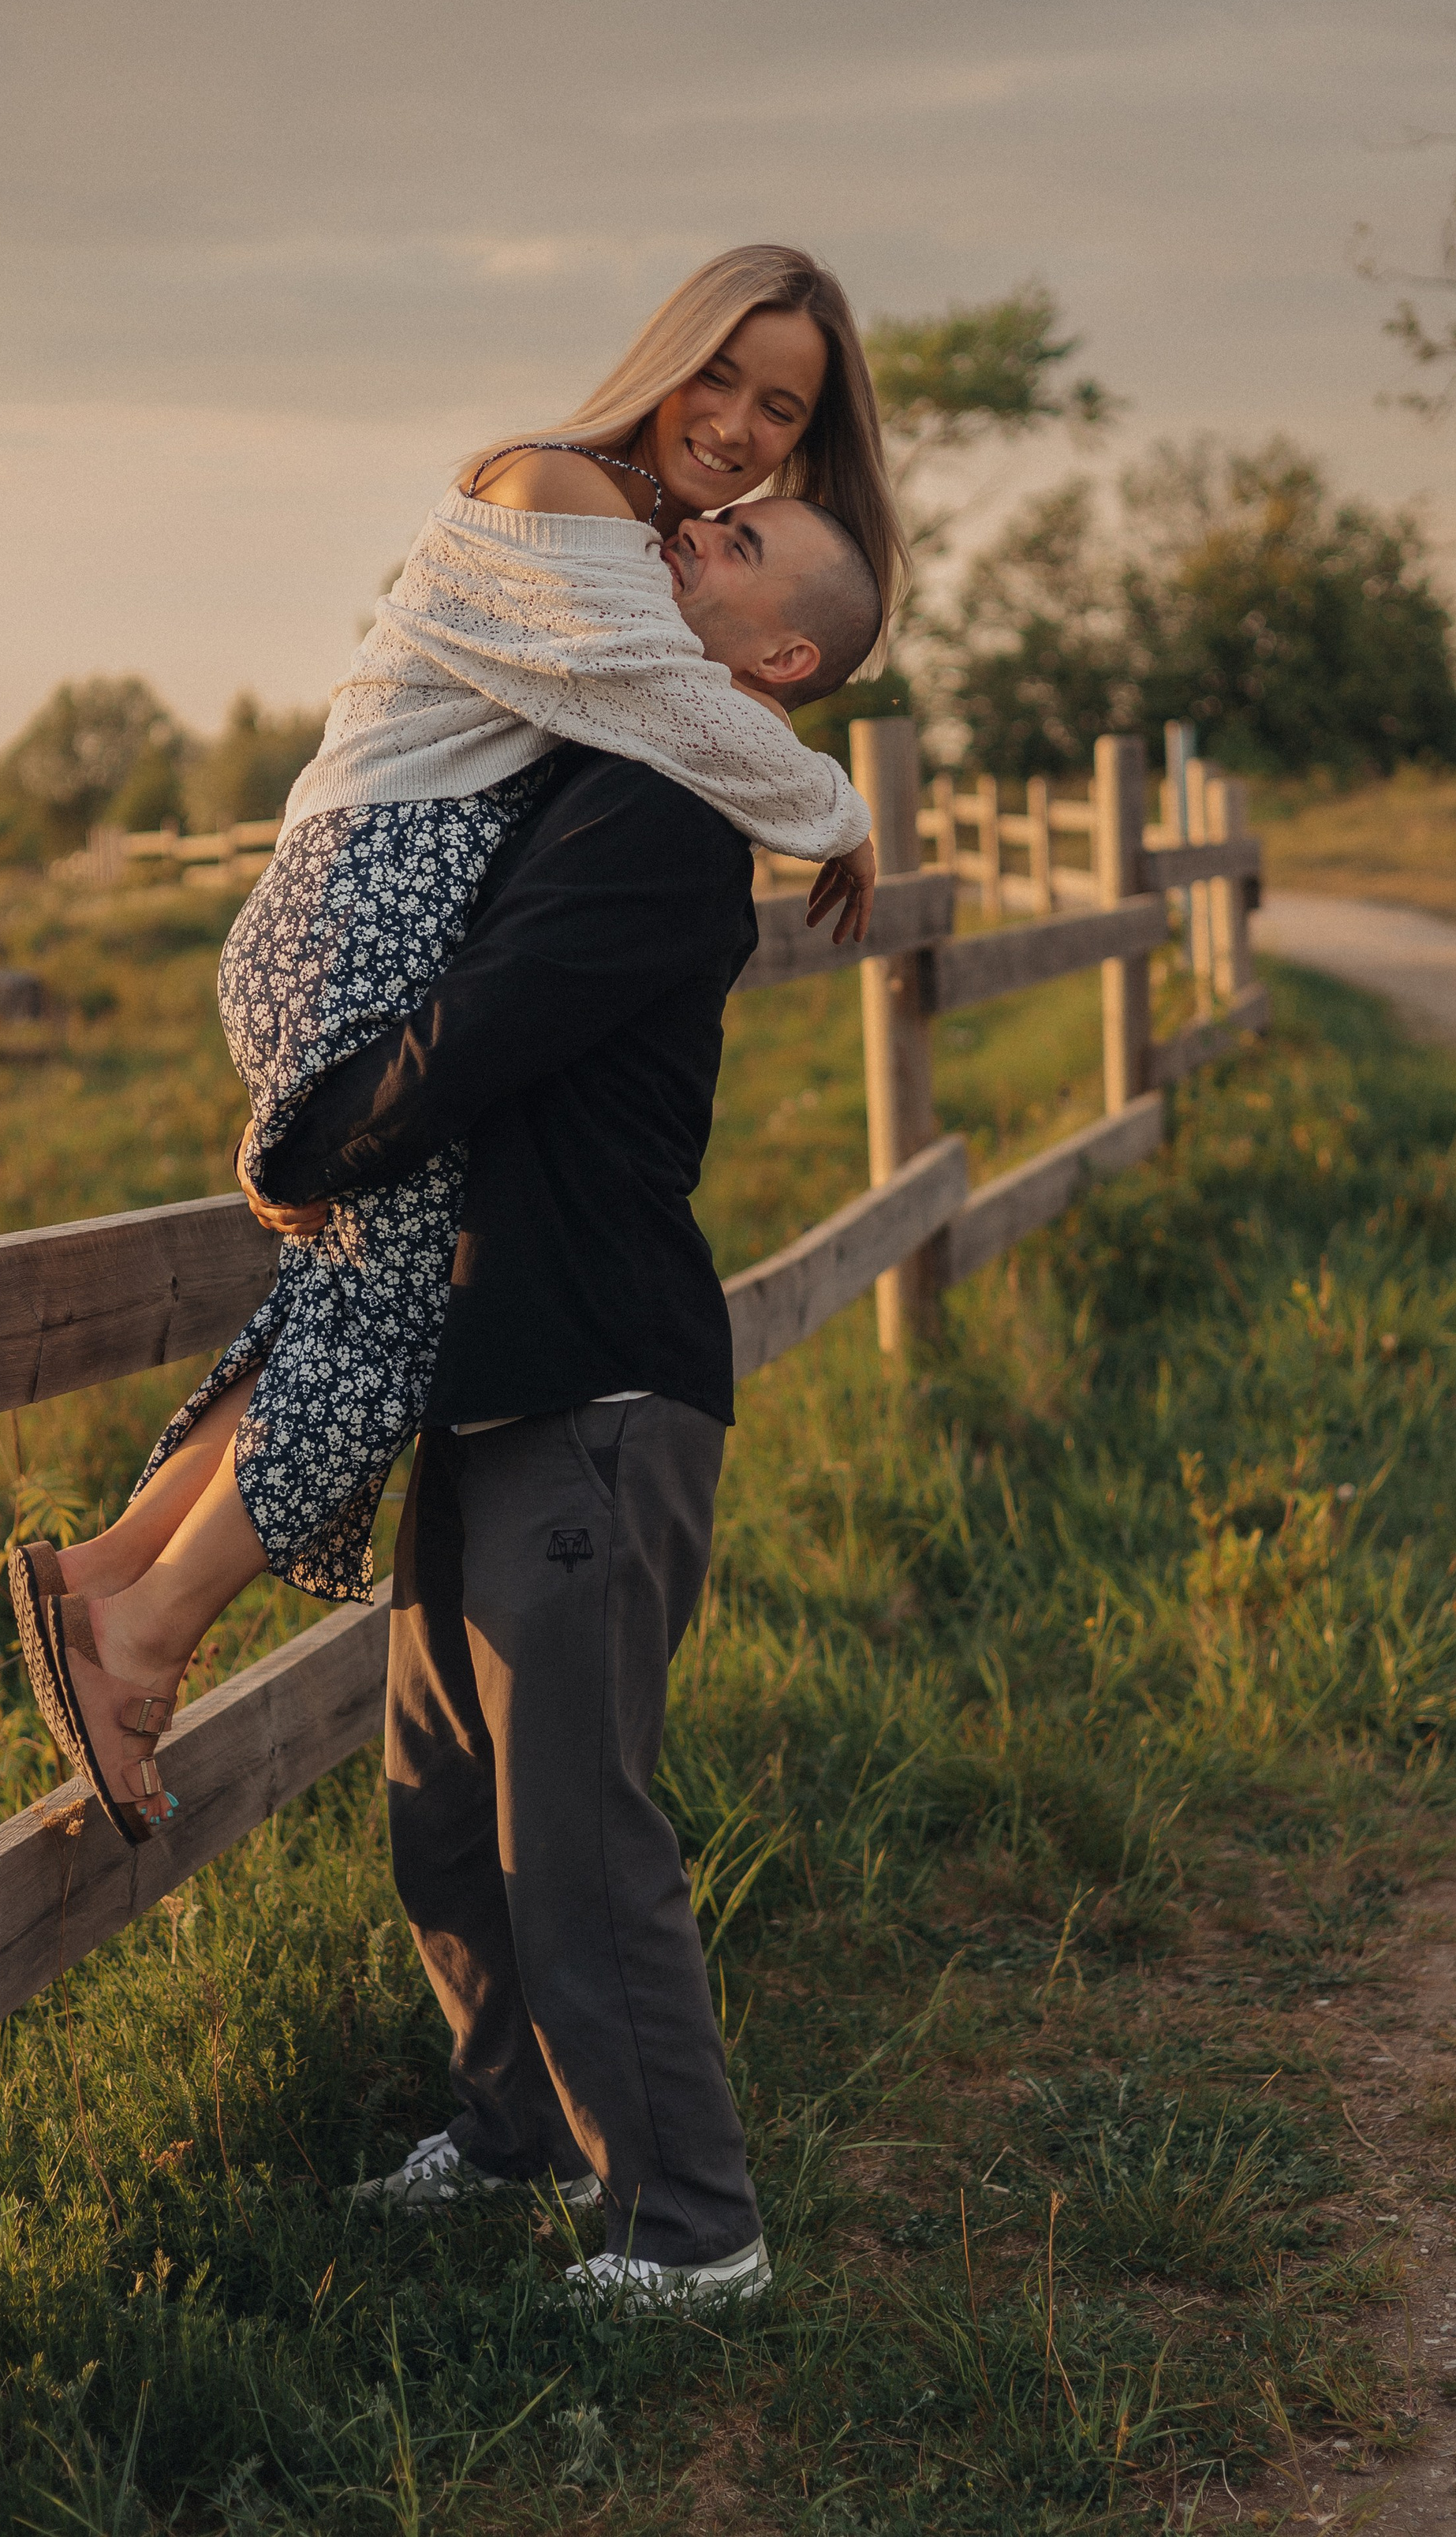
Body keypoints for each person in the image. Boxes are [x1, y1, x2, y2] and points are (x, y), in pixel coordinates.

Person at [9, 247, 907, 1846]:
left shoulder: (648, 538)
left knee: (353, 1284)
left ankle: (116, 1573)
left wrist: (790, 764)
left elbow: (689, 709)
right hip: (364, 898)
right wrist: (833, 811)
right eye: (721, 378)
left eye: (780, 411)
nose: (737, 429)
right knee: (401, 1305)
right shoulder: (556, 487)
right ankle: (142, 1642)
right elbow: (675, 707)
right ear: (666, 357)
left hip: (385, 898)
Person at [240, 542, 888, 2306]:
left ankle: (690, 2231)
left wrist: (307, 1139)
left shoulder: (671, 819)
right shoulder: (600, 775)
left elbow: (487, 1025)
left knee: (574, 1829)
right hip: (493, 1365)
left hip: (595, 1384)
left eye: (737, 547)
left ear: (778, 654)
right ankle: (512, 2129)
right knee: (441, 1804)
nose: (687, 542)